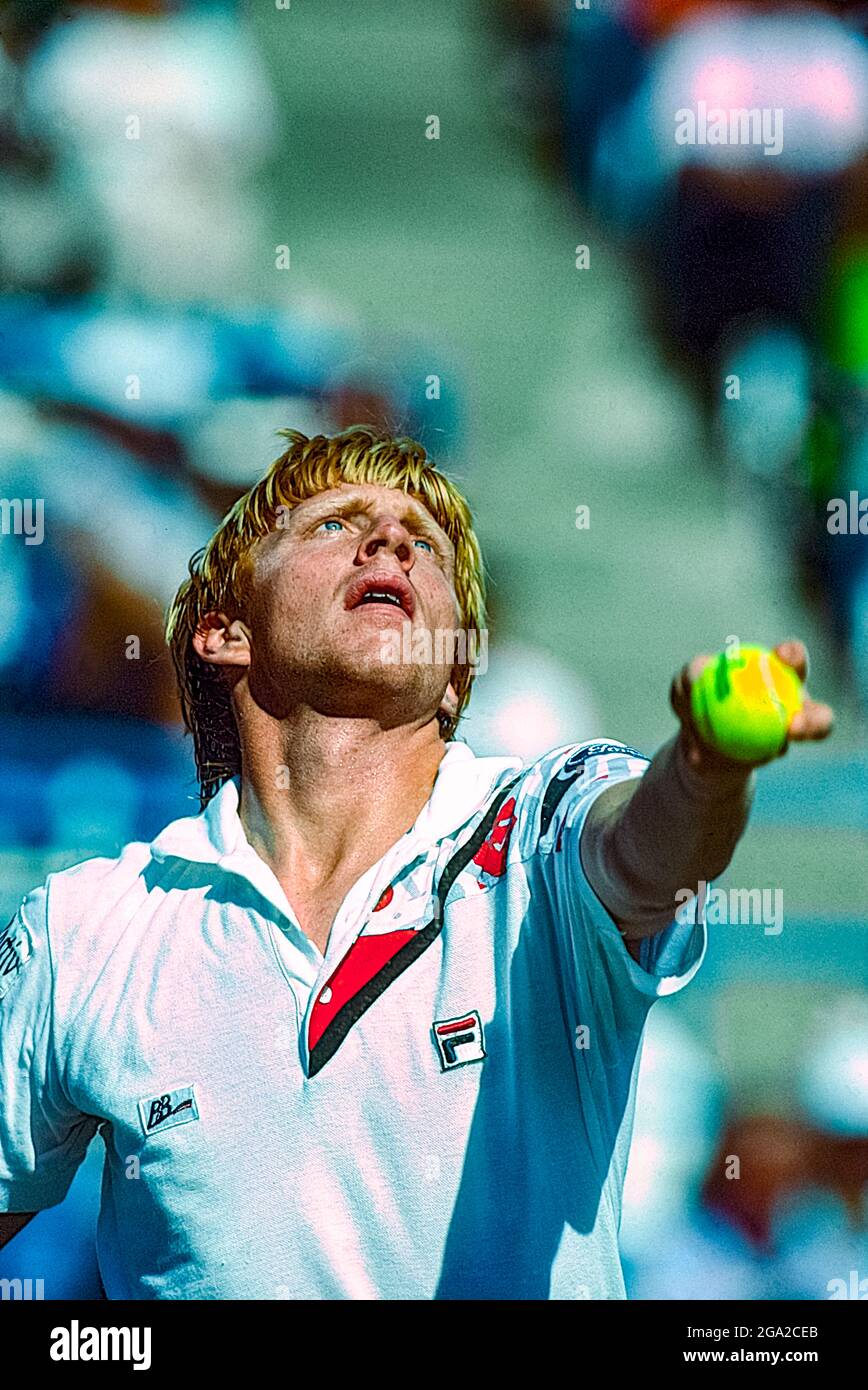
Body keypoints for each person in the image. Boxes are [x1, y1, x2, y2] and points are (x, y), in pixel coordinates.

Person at [0, 426, 834, 1299]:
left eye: (424, 544)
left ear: (452, 676)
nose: (392, 540)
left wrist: (704, 767)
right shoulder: (87, 928)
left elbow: (645, 851)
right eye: (332, 525)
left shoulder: (537, 829)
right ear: (224, 631)